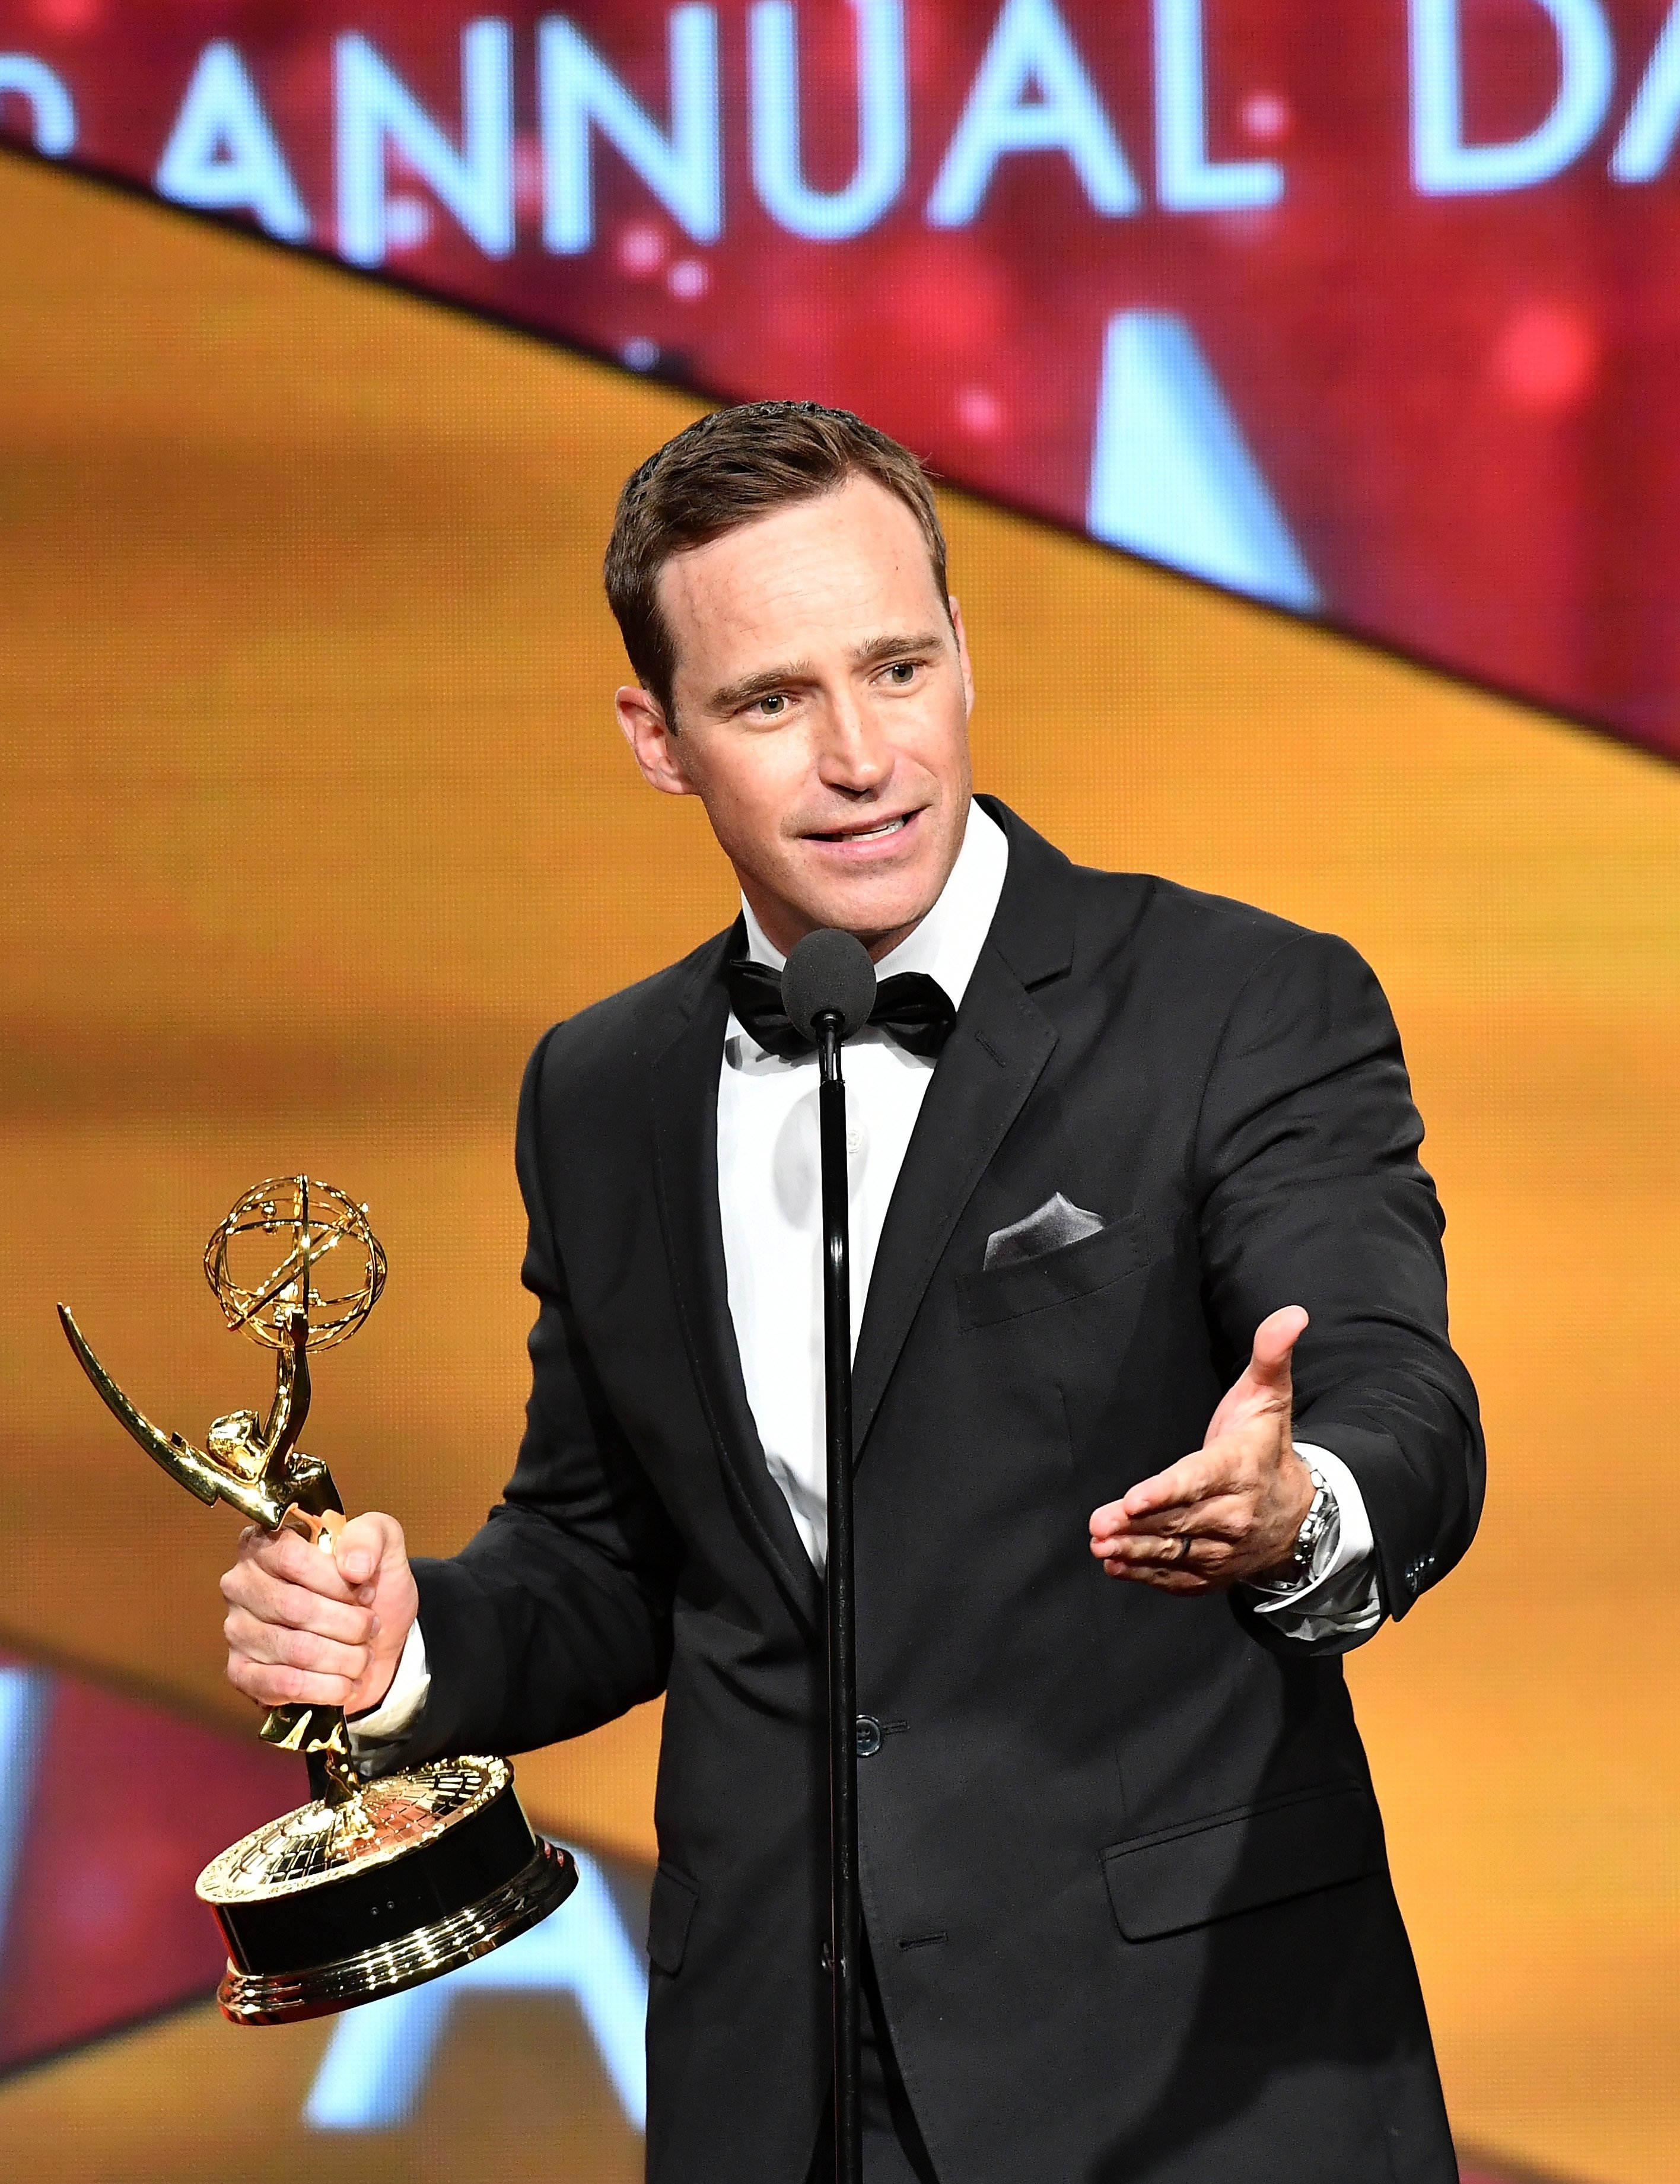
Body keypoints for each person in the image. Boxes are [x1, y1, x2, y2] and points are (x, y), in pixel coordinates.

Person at [218, 403, 1484, 2183]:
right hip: (779, 2084)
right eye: (770, 702)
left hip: (1184, 2076)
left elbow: (1395, 1397)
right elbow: (606, 1555)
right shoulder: (600, 1090)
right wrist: (405, 1644)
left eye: (898, 667)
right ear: (658, 739)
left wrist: (1302, 1513)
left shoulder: (1239, 1001)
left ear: (964, 646)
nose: (862, 757)